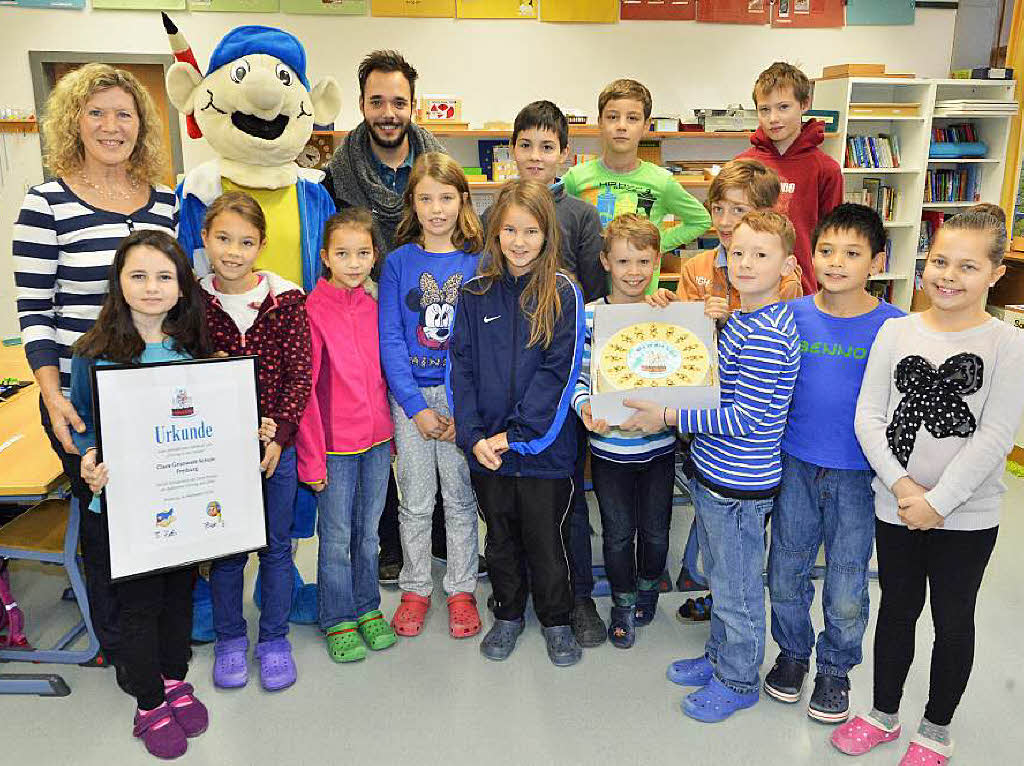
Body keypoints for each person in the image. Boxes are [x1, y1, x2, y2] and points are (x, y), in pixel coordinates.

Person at [832, 206, 1024, 764]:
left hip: (966, 516)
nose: (947, 275)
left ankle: (936, 727)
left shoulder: (1007, 343)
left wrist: (938, 502)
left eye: (967, 266)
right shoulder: (896, 330)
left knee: (952, 617)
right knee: (896, 610)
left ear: (994, 273)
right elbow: (869, 416)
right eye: (940, 260)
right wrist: (902, 488)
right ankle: (883, 713)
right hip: (897, 506)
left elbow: (995, 435)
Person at [12, 63, 178, 683]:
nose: (112, 126)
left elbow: (176, 292)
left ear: (142, 125)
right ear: (73, 122)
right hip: (81, 389)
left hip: (154, 383)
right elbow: (34, 310)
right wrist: (52, 396)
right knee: (107, 519)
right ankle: (118, 644)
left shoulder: (164, 199)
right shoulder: (45, 203)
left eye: (125, 114)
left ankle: (160, 630)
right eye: (97, 113)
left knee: (160, 507)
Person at [626, 210, 801, 722]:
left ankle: (739, 679)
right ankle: (721, 657)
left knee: (739, 589)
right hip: (717, 476)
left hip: (740, 486)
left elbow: (745, 416)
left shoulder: (767, 332)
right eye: (739, 253)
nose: (745, 264)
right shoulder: (745, 318)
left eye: (761, 255)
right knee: (723, 582)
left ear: (787, 265)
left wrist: (670, 415)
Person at [71, 230, 212, 759]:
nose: (151, 288)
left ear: (180, 289)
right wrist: (87, 459)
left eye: (163, 277)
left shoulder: (191, 351)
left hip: (181, 503)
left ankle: (175, 679)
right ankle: (149, 702)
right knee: (138, 607)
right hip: (123, 510)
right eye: (138, 276)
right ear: (119, 284)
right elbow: (84, 426)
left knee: (178, 597)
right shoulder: (94, 353)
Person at [764, 204, 904, 724]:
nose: (836, 262)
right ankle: (794, 654)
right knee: (786, 571)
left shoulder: (896, 327)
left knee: (847, 581)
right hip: (794, 465)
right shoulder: (789, 315)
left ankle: (836, 669)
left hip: (859, 476)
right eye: (826, 250)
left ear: (877, 260)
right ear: (811, 254)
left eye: (852, 253)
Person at [481, 99, 606, 645]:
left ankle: (576, 598)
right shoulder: (493, 213)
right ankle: (516, 597)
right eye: (526, 144)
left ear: (565, 154)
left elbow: (596, 299)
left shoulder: (580, 214)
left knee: (565, 501)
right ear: (512, 151)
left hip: (559, 384)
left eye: (547, 146)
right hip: (504, 380)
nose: (535, 155)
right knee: (509, 506)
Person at [448, 179, 585, 667]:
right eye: (510, 229)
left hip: (543, 449)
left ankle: (556, 619)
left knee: (547, 541)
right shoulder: (474, 293)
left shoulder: (564, 291)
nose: (520, 241)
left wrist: (519, 435)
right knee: (500, 537)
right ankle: (507, 614)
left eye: (531, 230)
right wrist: (473, 437)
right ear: (495, 232)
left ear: (547, 234)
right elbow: (459, 369)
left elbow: (559, 372)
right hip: (488, 450)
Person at [322, 49, 448, 582]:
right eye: (378, 101)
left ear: (413, 106)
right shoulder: (336, 176)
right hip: (367, 316)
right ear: (362, 105)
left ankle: (442, 539)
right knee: (381, 432)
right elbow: (330, 250)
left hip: (430, 320)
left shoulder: (436, 167)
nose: (388, 112)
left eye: (399, 101)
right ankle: (391, 545)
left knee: (434, 428)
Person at [668, 157, 799, 623]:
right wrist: (672, 309)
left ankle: (731, 634)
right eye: (718, 209)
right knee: (713, 529)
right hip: (708, 433)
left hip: (745, 445)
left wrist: (730, 318)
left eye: (738, 212)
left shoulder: (782, 282)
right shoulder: (699, 265)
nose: (725, 223)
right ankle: (709, 593)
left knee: (735, 551)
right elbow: (683, 342)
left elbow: (758, 392)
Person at [197, 192, 312, 692]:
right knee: (226, 551)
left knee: (277, 548)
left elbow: (299, 373)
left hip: (273, 451)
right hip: (218, 451)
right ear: (205, 240)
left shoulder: (285, 300)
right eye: (223, 238)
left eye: (245, 242)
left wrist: (280, 433)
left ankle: (273, 639)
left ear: (261, 246)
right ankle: (228, 640)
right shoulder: (192, 302)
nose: (233, 251)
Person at [379, 152, 483, 639]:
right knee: (416, 502)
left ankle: (461, 587)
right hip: (412, 401)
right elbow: (392, 342)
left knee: (460, 499)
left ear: (462, 201)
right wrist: (416, 408)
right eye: (425, 198)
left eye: (446, 197)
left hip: (463, 400)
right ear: (412, 204)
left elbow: (483, 344)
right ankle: (416, 587)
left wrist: (466, 411)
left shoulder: (479, 262)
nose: (436, 208)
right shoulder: (399, 263)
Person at [296, 208, 397, 663]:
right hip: (334, 449)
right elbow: (307, 396)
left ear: (374, 255)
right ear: (325, 258)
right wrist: (312, 460)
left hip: (377, 443)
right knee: (335, 536)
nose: (354, 263)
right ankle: (336, 615)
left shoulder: (376, 308)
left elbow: (382, 378)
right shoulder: (311, 312)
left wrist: (391, 436)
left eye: (362, 253)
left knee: (368, 531)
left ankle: (367, 606)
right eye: (342, 253)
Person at [571, 214, 677, 649]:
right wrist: (586, 410)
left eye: (643, 262)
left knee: (655, 531)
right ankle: (621, 600)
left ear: (656, 263)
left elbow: (688, 372)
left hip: (660, 449)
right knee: (617, 533)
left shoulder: (669, 312)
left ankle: (649, 588)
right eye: (623, 261)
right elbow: (578, 377)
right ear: (604, 262)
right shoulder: (591, 317)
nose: (634, 272)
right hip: (610, 448)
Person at [561, 78, 711, 291]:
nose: (621, 126)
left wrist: (654, 245)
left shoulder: (661, 181)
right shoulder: (577, 178)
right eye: (612, 117)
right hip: (591, 295)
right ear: (600, 123)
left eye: (632, 118)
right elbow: (555, 218)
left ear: (646, 126)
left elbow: (700, 220)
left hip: (642, 298)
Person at [737, 61, 843, 295]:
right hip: (748, 287)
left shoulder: (826, 169)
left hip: (804, 291)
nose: (773, 118)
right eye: (765, 109)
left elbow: (832, 239)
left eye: (783, 107)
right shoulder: (743, 165)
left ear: (804, 104)